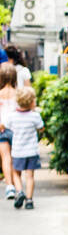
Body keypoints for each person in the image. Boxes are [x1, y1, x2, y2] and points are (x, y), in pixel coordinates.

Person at [4, 86, 43, 210]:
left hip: (17, 151)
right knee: (30, 176)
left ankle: (20, 192)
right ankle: (29, 200)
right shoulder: (35, 116)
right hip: (31, 151)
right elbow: (41, 128)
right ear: (32, 102)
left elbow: (5, 126)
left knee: (16, 173)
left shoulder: (12, 116)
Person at [0, 64, 17, 200]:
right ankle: (18, 186)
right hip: (16, 129)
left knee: (6, 158)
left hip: (1, 129)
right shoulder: (18, 94)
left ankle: (9, 186)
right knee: (15, 157)